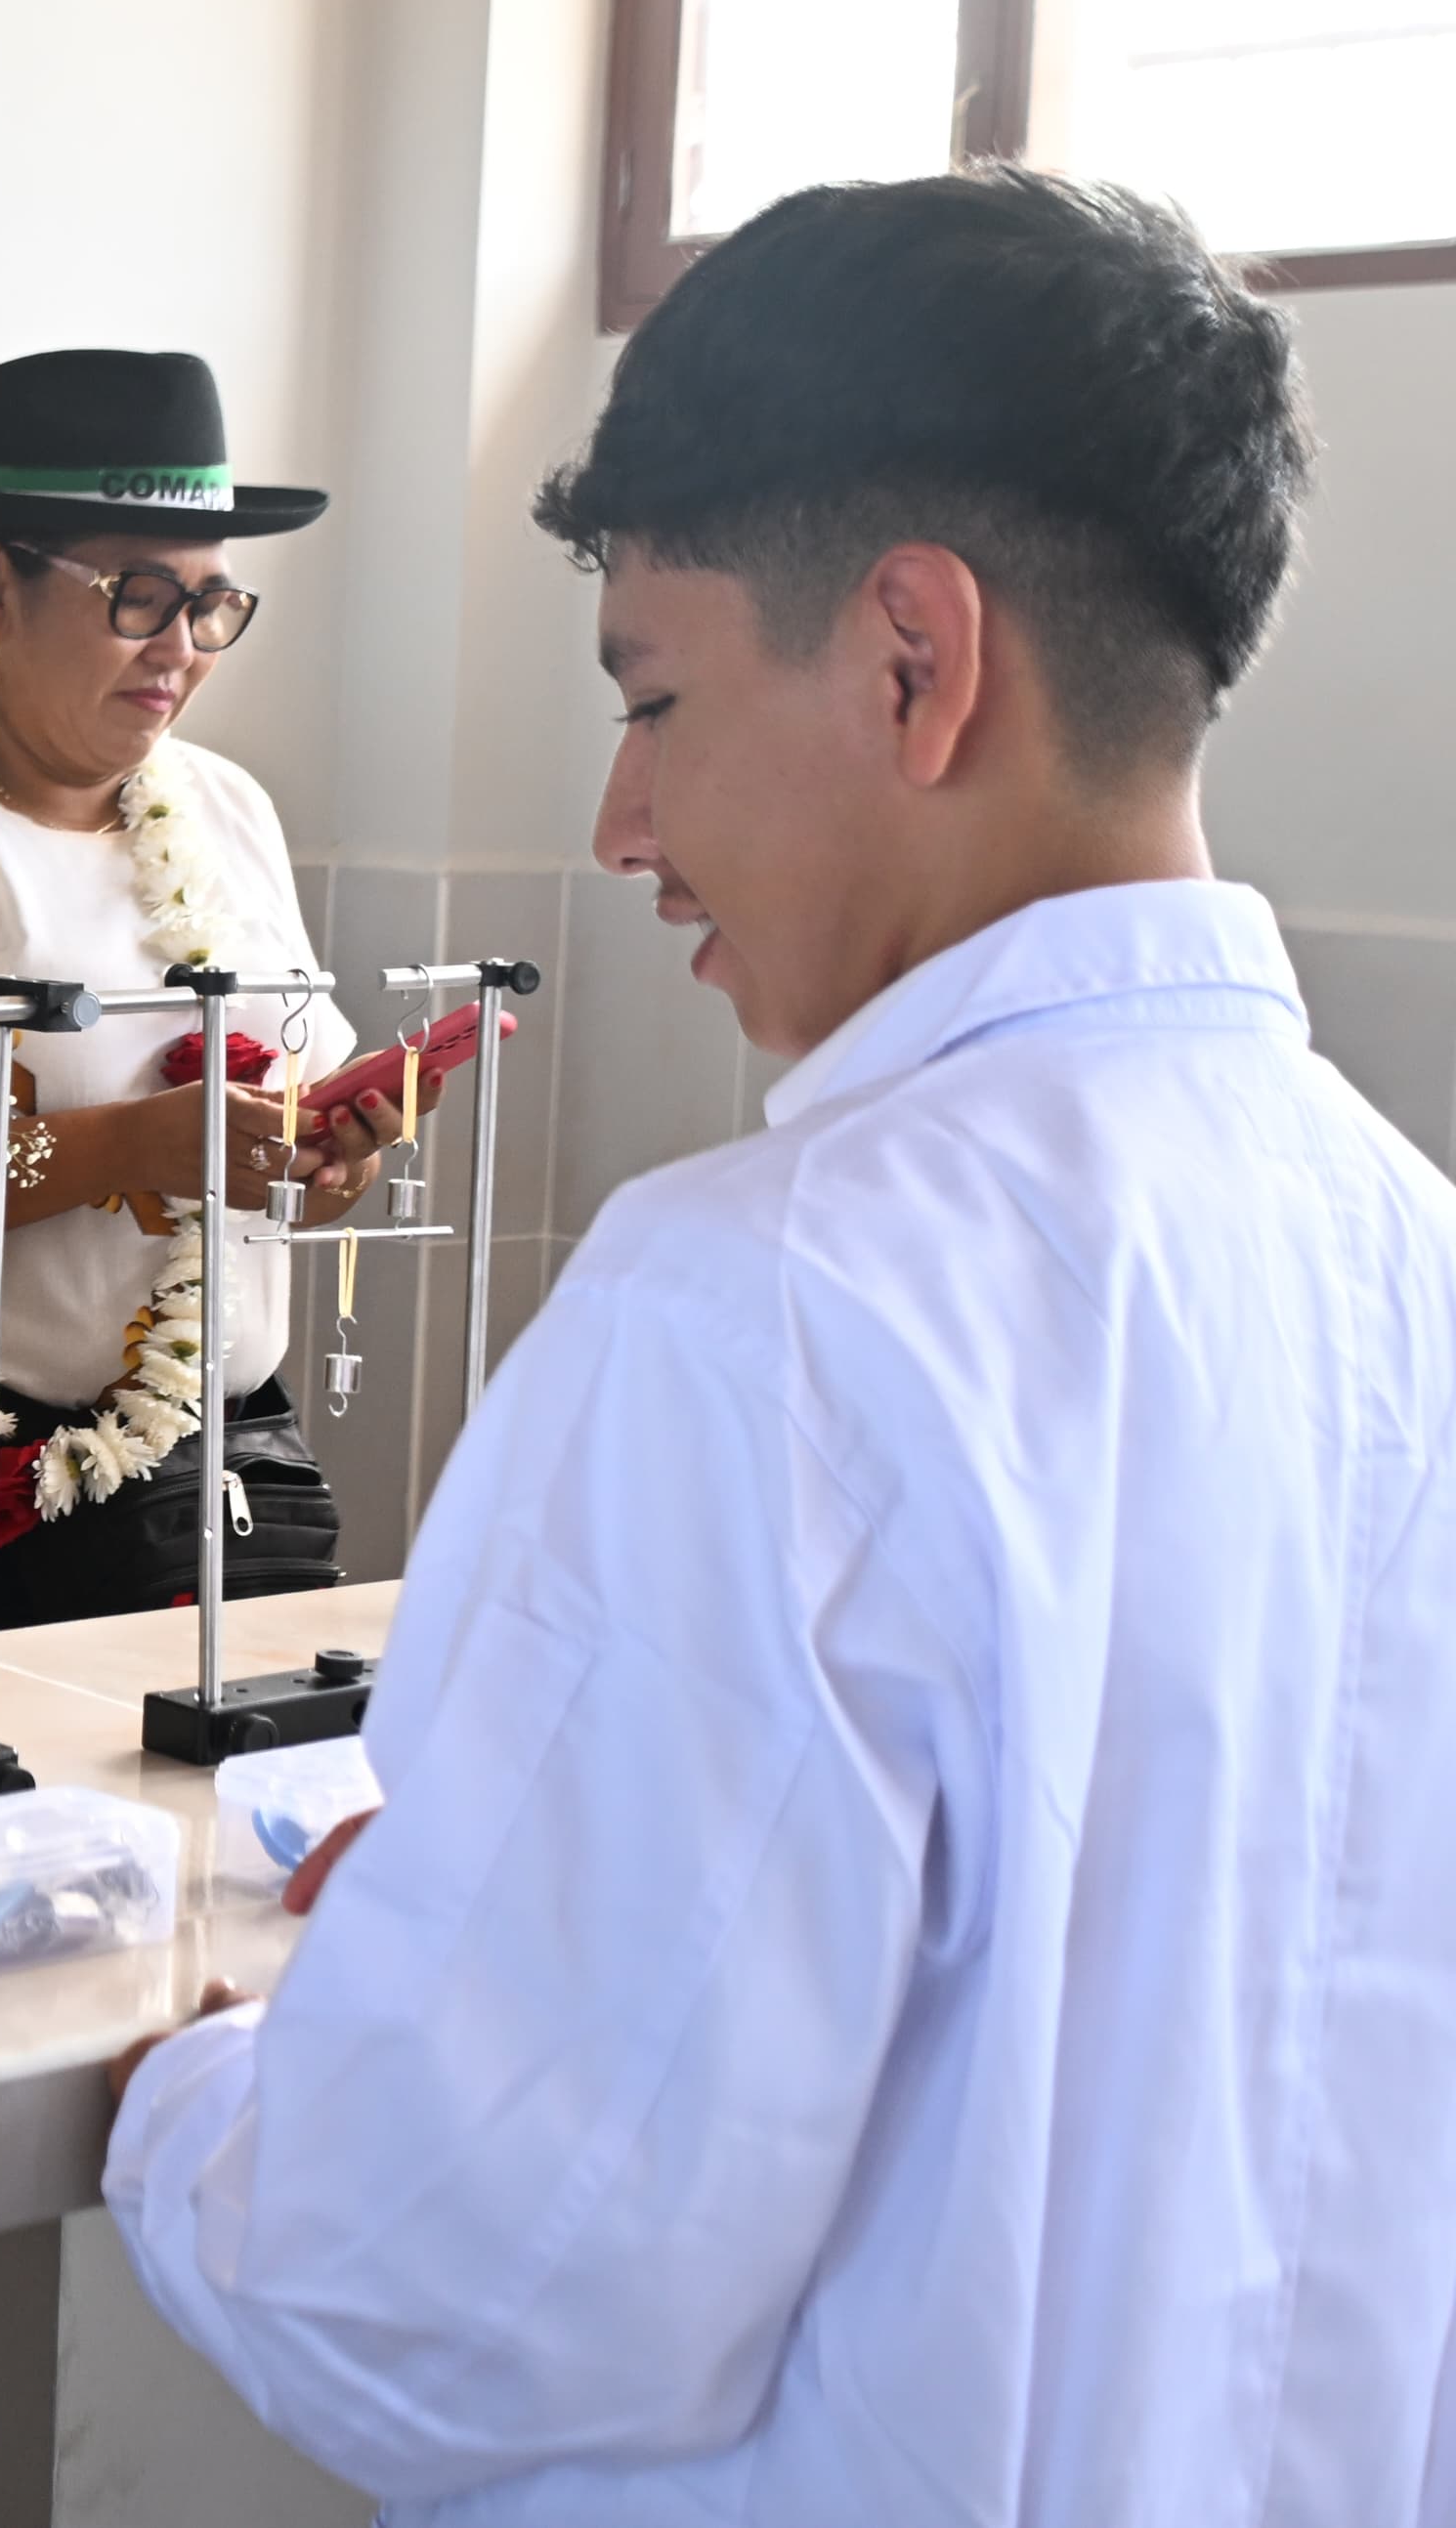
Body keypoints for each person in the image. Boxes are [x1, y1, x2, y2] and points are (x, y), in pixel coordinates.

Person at [104, 169, 1456, 2520]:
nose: (618, 818)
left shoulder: (765, 1308)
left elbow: (457, 2289)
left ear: (914, 655)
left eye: (653, 698)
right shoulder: (1409, 1257)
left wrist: (210, 2099)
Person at [0, 349, 412, 2523]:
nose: (181, 645)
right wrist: (139, 1147)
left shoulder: (216, 811)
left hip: (236, 1469)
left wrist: (328, 1142)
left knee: (238, 1977)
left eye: (211, 600)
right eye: (138, 594)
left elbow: (282, 1095)